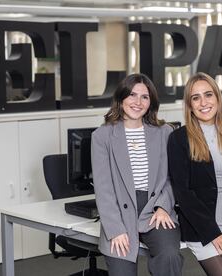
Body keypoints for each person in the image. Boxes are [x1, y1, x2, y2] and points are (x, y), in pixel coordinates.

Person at [91, 73, 183, 276]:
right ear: (121, 98)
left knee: (169, 257)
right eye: (132, 95)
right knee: (122, 270)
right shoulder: (102, 136)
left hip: (154, 209)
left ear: (151, 102)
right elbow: (104, 188)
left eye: (145, 97)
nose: (138, 102)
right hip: (120, 212)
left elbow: (172, 177)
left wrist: (163, 206)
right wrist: (115, 229)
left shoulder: (165, 132)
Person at [167, 72, 222, 276]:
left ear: (217, 98)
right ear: (190, 105)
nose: (203, 102)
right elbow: (183, 193)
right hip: (202, 229)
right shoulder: (179, 138)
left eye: (208, 95)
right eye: (196, 98)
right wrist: (213, 233)